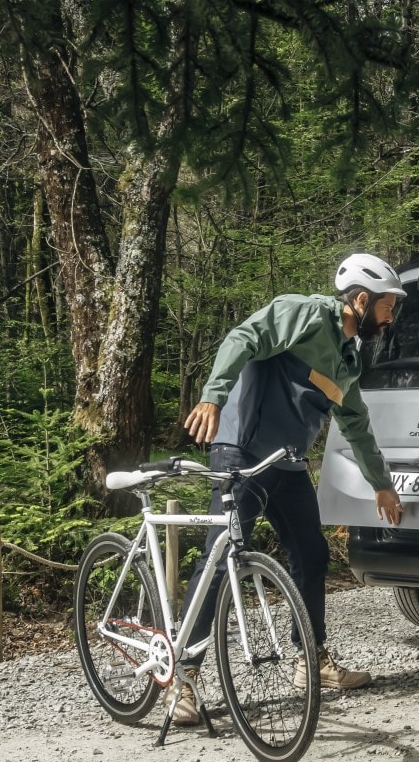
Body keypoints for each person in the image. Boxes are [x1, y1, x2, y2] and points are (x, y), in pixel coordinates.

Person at [170, 253, 407, 723]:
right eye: (387, 305)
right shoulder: (302, 313)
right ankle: (184, 677)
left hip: (287, 462)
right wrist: (213, 396)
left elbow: (355, 422)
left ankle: (310, 659)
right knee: (221, 558)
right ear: (361, 300)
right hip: (243, 451)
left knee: (311, 554)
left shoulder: (349, 356)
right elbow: (243, 337)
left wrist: (381, 484)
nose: (390, 314)